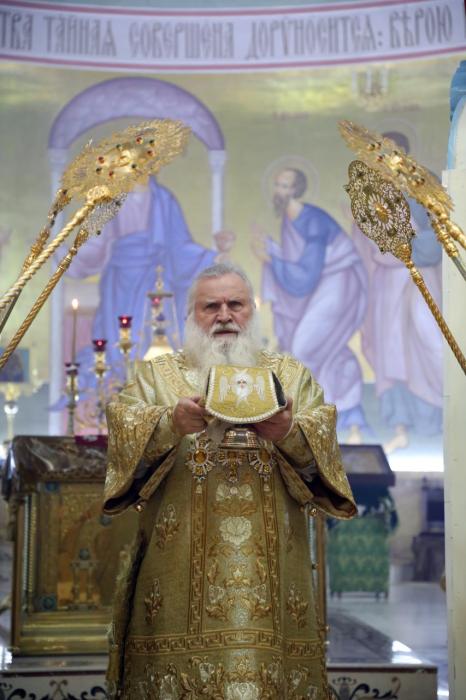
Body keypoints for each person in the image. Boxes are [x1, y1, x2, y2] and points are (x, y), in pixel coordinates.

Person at [104, 262, 356, 699]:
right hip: (177, 589)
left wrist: (289, 433)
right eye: (211, 306)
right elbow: (123, 443)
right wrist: (169, 423)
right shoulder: (156, 377)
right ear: (192, 315)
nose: (224, 315)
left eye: (235, 304)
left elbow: (325, 457)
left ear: (252, 310)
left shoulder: (290, 377)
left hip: (271, 594)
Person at [66, 177, 234, 386]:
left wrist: (211, 258)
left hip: (156, 277)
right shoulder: (109, 199)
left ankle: (157, 385)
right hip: (119, 280)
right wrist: (67, 256)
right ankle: (121, 384)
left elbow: (179, 247)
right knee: (116, 337)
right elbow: (95, 242)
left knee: (155, 329)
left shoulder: (164, 199)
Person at [252, 167, 368, 443]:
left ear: (296, 190)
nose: (279, 191)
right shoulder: (289, 218)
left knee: (305, 347)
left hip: (340, 283)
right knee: (328, 349)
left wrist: (271, 259)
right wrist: (272, 250)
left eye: (285, 186)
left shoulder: (313, 220)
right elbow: (299, 265)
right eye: (277, 184)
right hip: (322, 284)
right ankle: (349, 417)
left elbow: (306, 276)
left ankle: (320, 418)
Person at [352, 132, 443, 453]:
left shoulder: (422, 186)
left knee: (428, 341)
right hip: (386, 284)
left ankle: (438, 421)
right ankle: (400, 426)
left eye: (391, 152)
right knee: (390, 351)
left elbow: (438, 232)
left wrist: (409, 244)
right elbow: (365, 245)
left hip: (421, 278)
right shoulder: (368, 191)